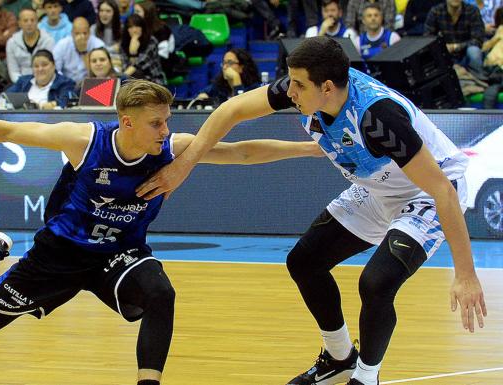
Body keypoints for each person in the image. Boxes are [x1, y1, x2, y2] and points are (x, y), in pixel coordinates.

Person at [0, 79, 323, 385]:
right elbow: (9, 130)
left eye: (167, 121)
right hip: (60, 253)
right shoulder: (85, 141)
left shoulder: (173, 149)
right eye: (156, 124)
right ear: (126, 122)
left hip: (118, 253)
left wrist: (313, 148)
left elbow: (242, 152)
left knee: (161, 293)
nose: (165, 131)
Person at [136, 36, 487, 385]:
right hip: (377, 187)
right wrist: (186, 163)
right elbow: (231, 111)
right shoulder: (306, 91)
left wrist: (466, 274)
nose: (290, 93)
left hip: (427, 193)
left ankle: (366, 378)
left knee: (376, 282)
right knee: (304, 262)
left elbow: (441, 188)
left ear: (328, 88)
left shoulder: (378, 118)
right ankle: (339, 358)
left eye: (299, 86)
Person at [424, 0, 486, 75]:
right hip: (445, 56)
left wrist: (455, 47)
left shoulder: (472, 11)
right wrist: (442, 48)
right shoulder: (436, 11)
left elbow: (478, 40)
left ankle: (479, 79)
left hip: (465, 55)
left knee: (474, 50)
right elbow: (427, 40)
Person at [5, 48, 75, 109]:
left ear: (54, 65)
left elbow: (69, 100)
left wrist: (53, 104)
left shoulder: (65, 83)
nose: (40, 69)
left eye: (44, 65)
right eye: (36, 66)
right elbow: (5, 97)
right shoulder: (23, 82)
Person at [196, 48, 261, 105]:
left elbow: (240, 107)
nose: (224, 67)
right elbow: (203, 93)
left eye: (230, 63)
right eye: (224, 63)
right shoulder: (219, 86)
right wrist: (202, 95)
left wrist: (236, 79)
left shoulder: (254, 88)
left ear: (242, 67)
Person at [6, 7, 54, 83]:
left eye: (32, 20)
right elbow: (13, 72)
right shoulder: (12, 43)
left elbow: (51, 67)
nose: (29, 23)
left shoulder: (48, 40)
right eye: (25, 21)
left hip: (45, 81)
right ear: (19, 23)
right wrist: (25, 83)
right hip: (21, 83)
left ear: (37, 22)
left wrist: (39, 83)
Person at [52, 16, 104, 84]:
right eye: (77, 33)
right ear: (72, 33)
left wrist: (84, 52)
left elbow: (99, 74)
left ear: (90, 33)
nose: (81, 37)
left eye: (85, 33)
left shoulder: (98, 45)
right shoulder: (62, 45)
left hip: (90, 83)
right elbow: (55, 70)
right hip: (66, 84)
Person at [120, 13, 165, 85]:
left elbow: (139, 66)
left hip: (153, 81)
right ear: (127, 29)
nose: (134, 30)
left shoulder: (151, 41)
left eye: (137, 26)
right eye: (130, 27)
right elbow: (125, 66)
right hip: (132, 81)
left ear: (142, 28)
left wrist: (133, 53)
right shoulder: (124, 43)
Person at [91, 0, 121, 70]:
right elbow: (94, 51)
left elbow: (121, 52)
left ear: (115, 13)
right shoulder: (93, 29)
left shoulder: (122, 29)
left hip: (117, 62)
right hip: (99, 62)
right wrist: (113, 49)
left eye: (108, 11)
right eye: (101, 11)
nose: (104, 14)